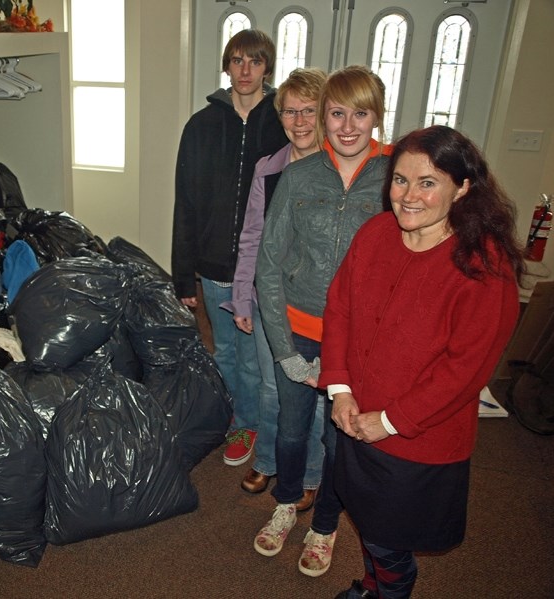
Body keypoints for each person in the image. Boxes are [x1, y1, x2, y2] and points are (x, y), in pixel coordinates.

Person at [322, 125, 524, 599]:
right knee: (371, 528)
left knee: (389, 543)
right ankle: (373, 588)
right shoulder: (375, 233)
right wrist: (340, 388)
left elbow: (465, 370)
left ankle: (388, 591)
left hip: (418, 442)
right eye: (400, 180)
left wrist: (392, 421)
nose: (408, 196)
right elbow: (340, 309)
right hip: (357, 419)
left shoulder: (483, 266)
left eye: (427, 183)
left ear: (463, 188)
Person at [253, 65, 391, 578]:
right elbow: (268, 265)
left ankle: (326, 526)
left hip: (357, 345)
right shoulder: (298, 175)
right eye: (337, 113)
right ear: (324, 116)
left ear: (377, 115)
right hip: (299, 331)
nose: (348, 125)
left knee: (340, 441)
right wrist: (286, 352)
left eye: (361, 113)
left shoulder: (395, 177)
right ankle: (286, 502)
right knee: (290, 431)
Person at [171, 29, 288, 467]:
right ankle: (236, 420)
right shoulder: (201, 126)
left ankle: (253, 423)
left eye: (255, 62)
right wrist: (184, 274)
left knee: (259, 361)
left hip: (264, 269)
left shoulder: (282, 123)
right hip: (215, 266)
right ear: (226, 65)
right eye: (237, 60)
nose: (245, 70)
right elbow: (186, 203)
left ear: (266, 68)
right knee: (226, 355)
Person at [222, 67, 328, 501]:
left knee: (314, 395)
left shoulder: (341, 174)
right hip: (271, 300)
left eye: (309, 111)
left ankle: (309, 477)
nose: (300, 122)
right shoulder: (269, 168)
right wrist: (242, 298)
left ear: (325, 114)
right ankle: (266, 461)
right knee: (271, 387)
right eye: (290, 112)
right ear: (279, 116)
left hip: (319, 308)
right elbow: (251, 238)